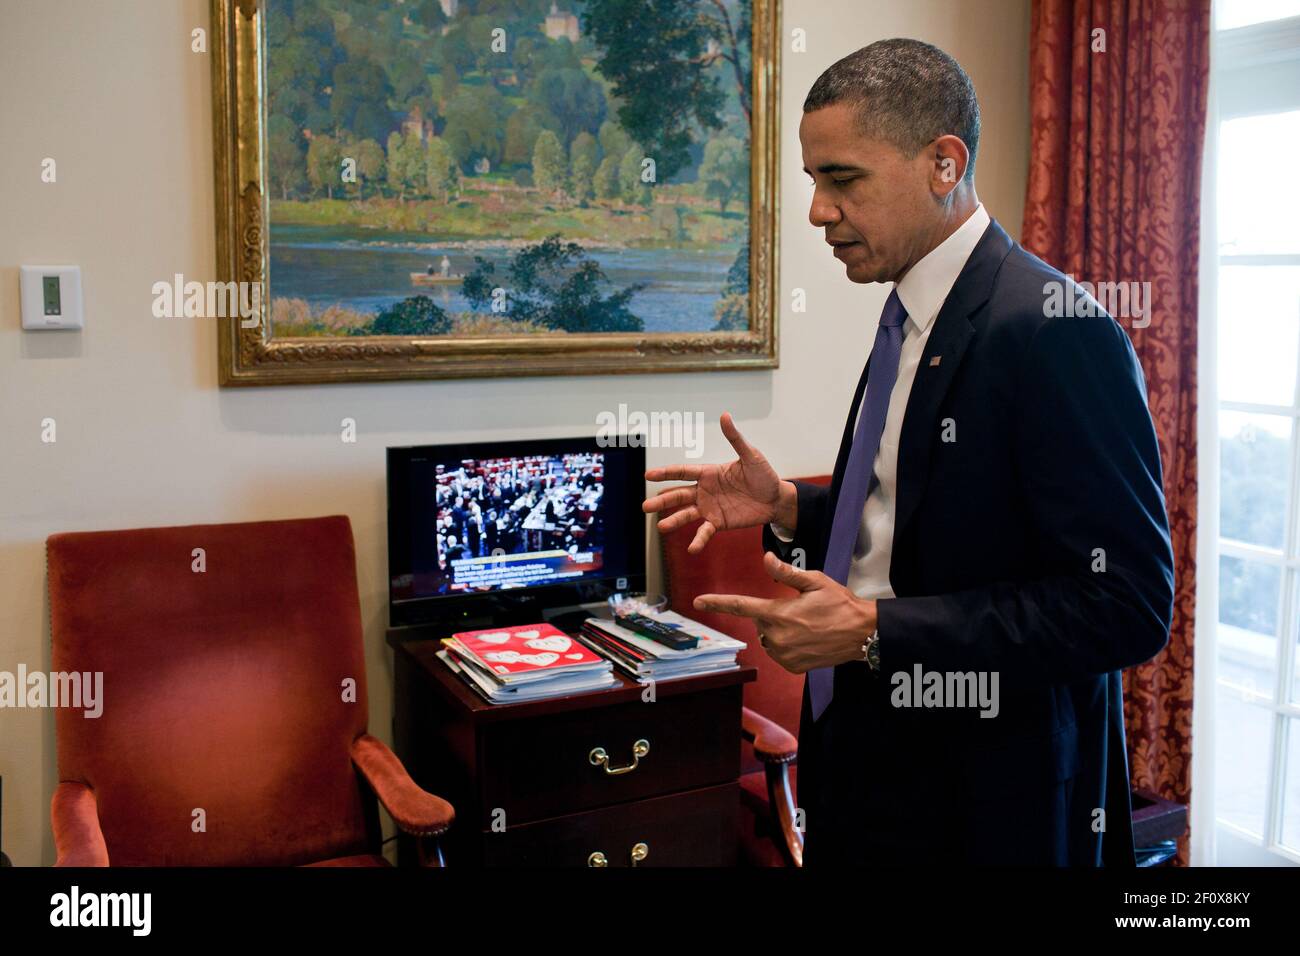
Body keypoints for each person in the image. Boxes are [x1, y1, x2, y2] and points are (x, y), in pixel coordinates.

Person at [643, 39, 1174, 866]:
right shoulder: (909, 313)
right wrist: (792, 506)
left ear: (942, 163)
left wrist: (873, 631)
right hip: (864, 773)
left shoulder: (1051, 331)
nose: (818, 211)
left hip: (985, 810)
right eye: (814, 181)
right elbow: (920, 521)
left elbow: (1126, 605)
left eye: (842, 179)